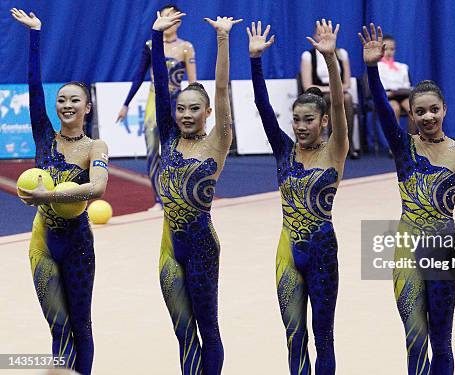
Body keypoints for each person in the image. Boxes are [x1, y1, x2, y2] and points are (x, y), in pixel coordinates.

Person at [359, 24, 455, 374]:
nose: (428, 117)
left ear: (444, 109)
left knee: (441, 340)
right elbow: (386, 114)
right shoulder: (404, 147)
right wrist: (371, 68)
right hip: (408, 249)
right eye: (420, 112)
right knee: (415, 339)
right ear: (412, 116)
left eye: (434, 109)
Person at [11, 8, 110, 375]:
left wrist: (46, 198)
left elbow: (97, 188)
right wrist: (35, 35)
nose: (67, 105)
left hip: (78, 244)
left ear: (88, 106)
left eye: (74, 100)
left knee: (81, 326)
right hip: (43, 243)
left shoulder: (94, 148)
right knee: (58, 325)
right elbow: (33, 87)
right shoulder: (44, 137)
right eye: (62, 100)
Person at [248, 19, 349, 374]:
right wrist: (255, 60)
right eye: (296, 119)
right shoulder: (284, 151)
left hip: (323, 251)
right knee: (294, 336)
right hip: (288, 252)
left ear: (323, 122)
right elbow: (262, 108)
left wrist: (330, 60)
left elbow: (338, 102)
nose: (301, 126)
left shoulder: (336, 149)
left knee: (324, 336)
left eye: (309, 119)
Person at [151, 10, 240, 375]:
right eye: (181, 109)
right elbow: (159, 81)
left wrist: (222, 39)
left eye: (194, 109)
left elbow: (220, 89)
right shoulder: (169, 137)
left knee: (208, 328)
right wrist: (156, 37)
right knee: (183, 333)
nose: (186, 115)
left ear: (207, 113)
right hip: (171, 248)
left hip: (202, 247)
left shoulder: (217, 141)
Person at [116, 4, 197, 210]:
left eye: (173, 16)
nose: (169, 20)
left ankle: (179, 195)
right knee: (152, 148)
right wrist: (126, 104)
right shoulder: (151, 45)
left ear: (178, 21)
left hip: (177, 103)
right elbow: (138, 75)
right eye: (165, 15)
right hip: (154, 102)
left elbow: (194, 83)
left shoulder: (186, 47)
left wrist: (197, 108)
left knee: (177, 151)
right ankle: (159, 199)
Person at [300, 24, 358, 159]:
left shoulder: (341, 54)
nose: (324, 37)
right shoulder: (308, 56)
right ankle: (333, 144)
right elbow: (307, 85)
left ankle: (345, 143)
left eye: (327, 34)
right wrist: (332, 90)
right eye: (320, 34)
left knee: (347, 98)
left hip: (339, 91)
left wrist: (336, 90)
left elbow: (347, 83)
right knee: (333, 98)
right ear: (315, 36)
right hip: (317, 92)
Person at [378, 34, 413, 133]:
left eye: (392, 49)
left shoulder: (403, 67)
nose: (389, 52)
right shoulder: (377, 66)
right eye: (386, 49)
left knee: (413, 110)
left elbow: (407, 85)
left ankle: (411, 140)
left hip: (402, 94)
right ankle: (396, 143)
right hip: (387, 95)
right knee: (395, 108)